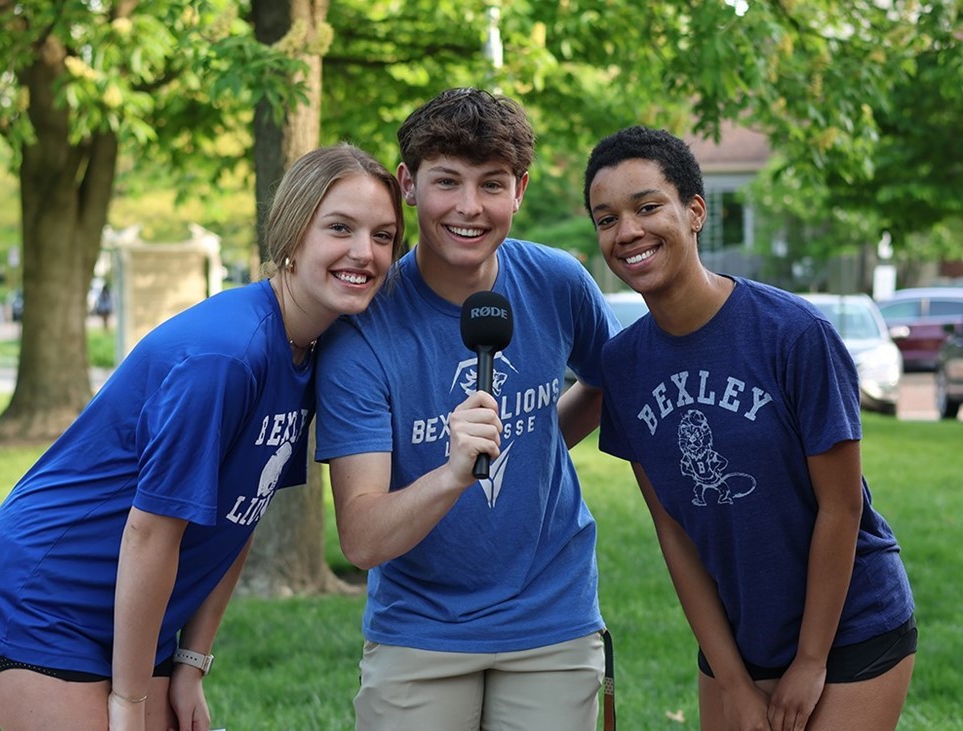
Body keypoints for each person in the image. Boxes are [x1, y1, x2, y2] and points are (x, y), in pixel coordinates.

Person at [0, 143, 405, 731]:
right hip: (43, 601)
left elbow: (242, 517)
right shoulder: (227, 355)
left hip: (130, 612)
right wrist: (129, 704)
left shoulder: (311, 353)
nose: (363, 252)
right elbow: (149, 534)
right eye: (339, 228)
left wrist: (191, 662)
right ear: (292, 237)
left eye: (384, 236)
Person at [585, 126, 916, 731]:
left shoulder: (794, 335)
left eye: (647, 206)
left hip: (849, 626)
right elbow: (674, 532)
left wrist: (811, 661)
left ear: (694, 212)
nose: (627, 231)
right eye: (606, 218)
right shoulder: (624, 364)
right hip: (740, 637)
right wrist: (731, 678)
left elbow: (840, 509)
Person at [314, 87, 621, 731]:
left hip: (552, 614)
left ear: (521, 190)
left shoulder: (558, 283)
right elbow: (363, 538)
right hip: (420, 627)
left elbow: (607, 380)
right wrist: (455, 471)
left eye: (492, 184)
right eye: (447, 181)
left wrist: (531, 441)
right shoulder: (363, 330)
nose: (469, 207)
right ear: (408, 184)